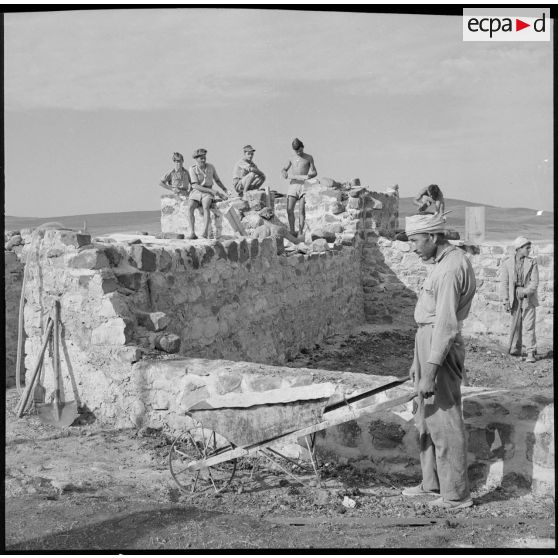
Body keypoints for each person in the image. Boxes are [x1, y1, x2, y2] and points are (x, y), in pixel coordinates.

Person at [403, 213, 476, 510]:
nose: (412, 249)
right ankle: (432, 483)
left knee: (444, 419)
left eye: (415, 241)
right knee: (426, 417)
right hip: (428, 342)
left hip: (439, 347)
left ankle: (457, 495)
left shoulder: (449, 269)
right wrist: (416, 360)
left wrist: (430, 372)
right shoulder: (441, 263)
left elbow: (445, 327)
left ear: (433, 237)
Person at [499, 236, 539, 363]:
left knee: (528, 326)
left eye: (529, 247)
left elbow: (534, 283)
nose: (529, 250)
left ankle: (530, 352)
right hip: (513, 298)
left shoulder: (532, 263)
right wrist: (505, 300)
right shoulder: (507, 263)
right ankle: (516, 349)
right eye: (527, 248)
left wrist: (524, 291)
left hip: (528, 298)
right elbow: (504, 284)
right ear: (519, 249)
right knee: (516, 325)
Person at [187, 148, 230, 239]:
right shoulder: (192, 169)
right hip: (197, 192)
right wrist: (212, 191)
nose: (203, 160)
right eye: (201, 158)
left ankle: (205, 232)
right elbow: (195, 186)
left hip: (207, 192)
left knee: (206, 206)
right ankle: (192, 233)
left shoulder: (211, 167)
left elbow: (217, 180)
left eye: (204, 158)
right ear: (196, 159)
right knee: (190, 206)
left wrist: (225, 189)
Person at [281, 138, 317, 237]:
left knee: (301, 210)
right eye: (296, 150)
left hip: (304, 184)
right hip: (293, 184)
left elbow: (314, 172)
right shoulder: (291, 158)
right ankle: (292, 231)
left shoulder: (309, 157)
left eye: (299, 150)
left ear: (302, 147)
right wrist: (284, 173)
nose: (298, 152)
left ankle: (300, 232)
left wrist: (310, 175)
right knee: (289, 209)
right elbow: (284, 169)